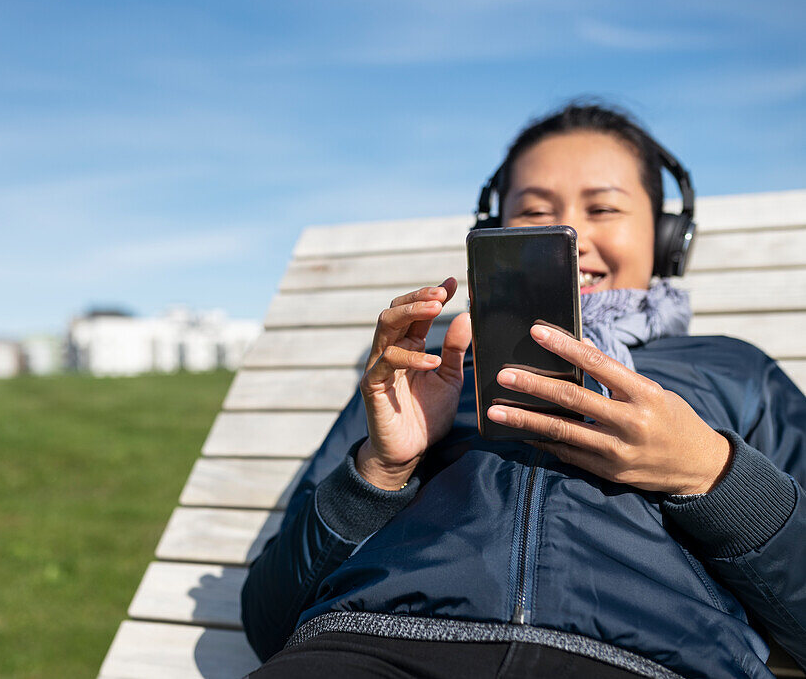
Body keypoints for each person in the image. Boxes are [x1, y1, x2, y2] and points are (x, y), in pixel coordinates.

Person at [240, 102, 806, 679]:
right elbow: (268, 623)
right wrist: (380, 470)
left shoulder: (735, 369)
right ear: (495, 233)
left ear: (666, 238)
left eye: (604, 208)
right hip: (372, 646)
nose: (571, 236)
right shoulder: (423, 366)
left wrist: (711, 474)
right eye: (534, 210)